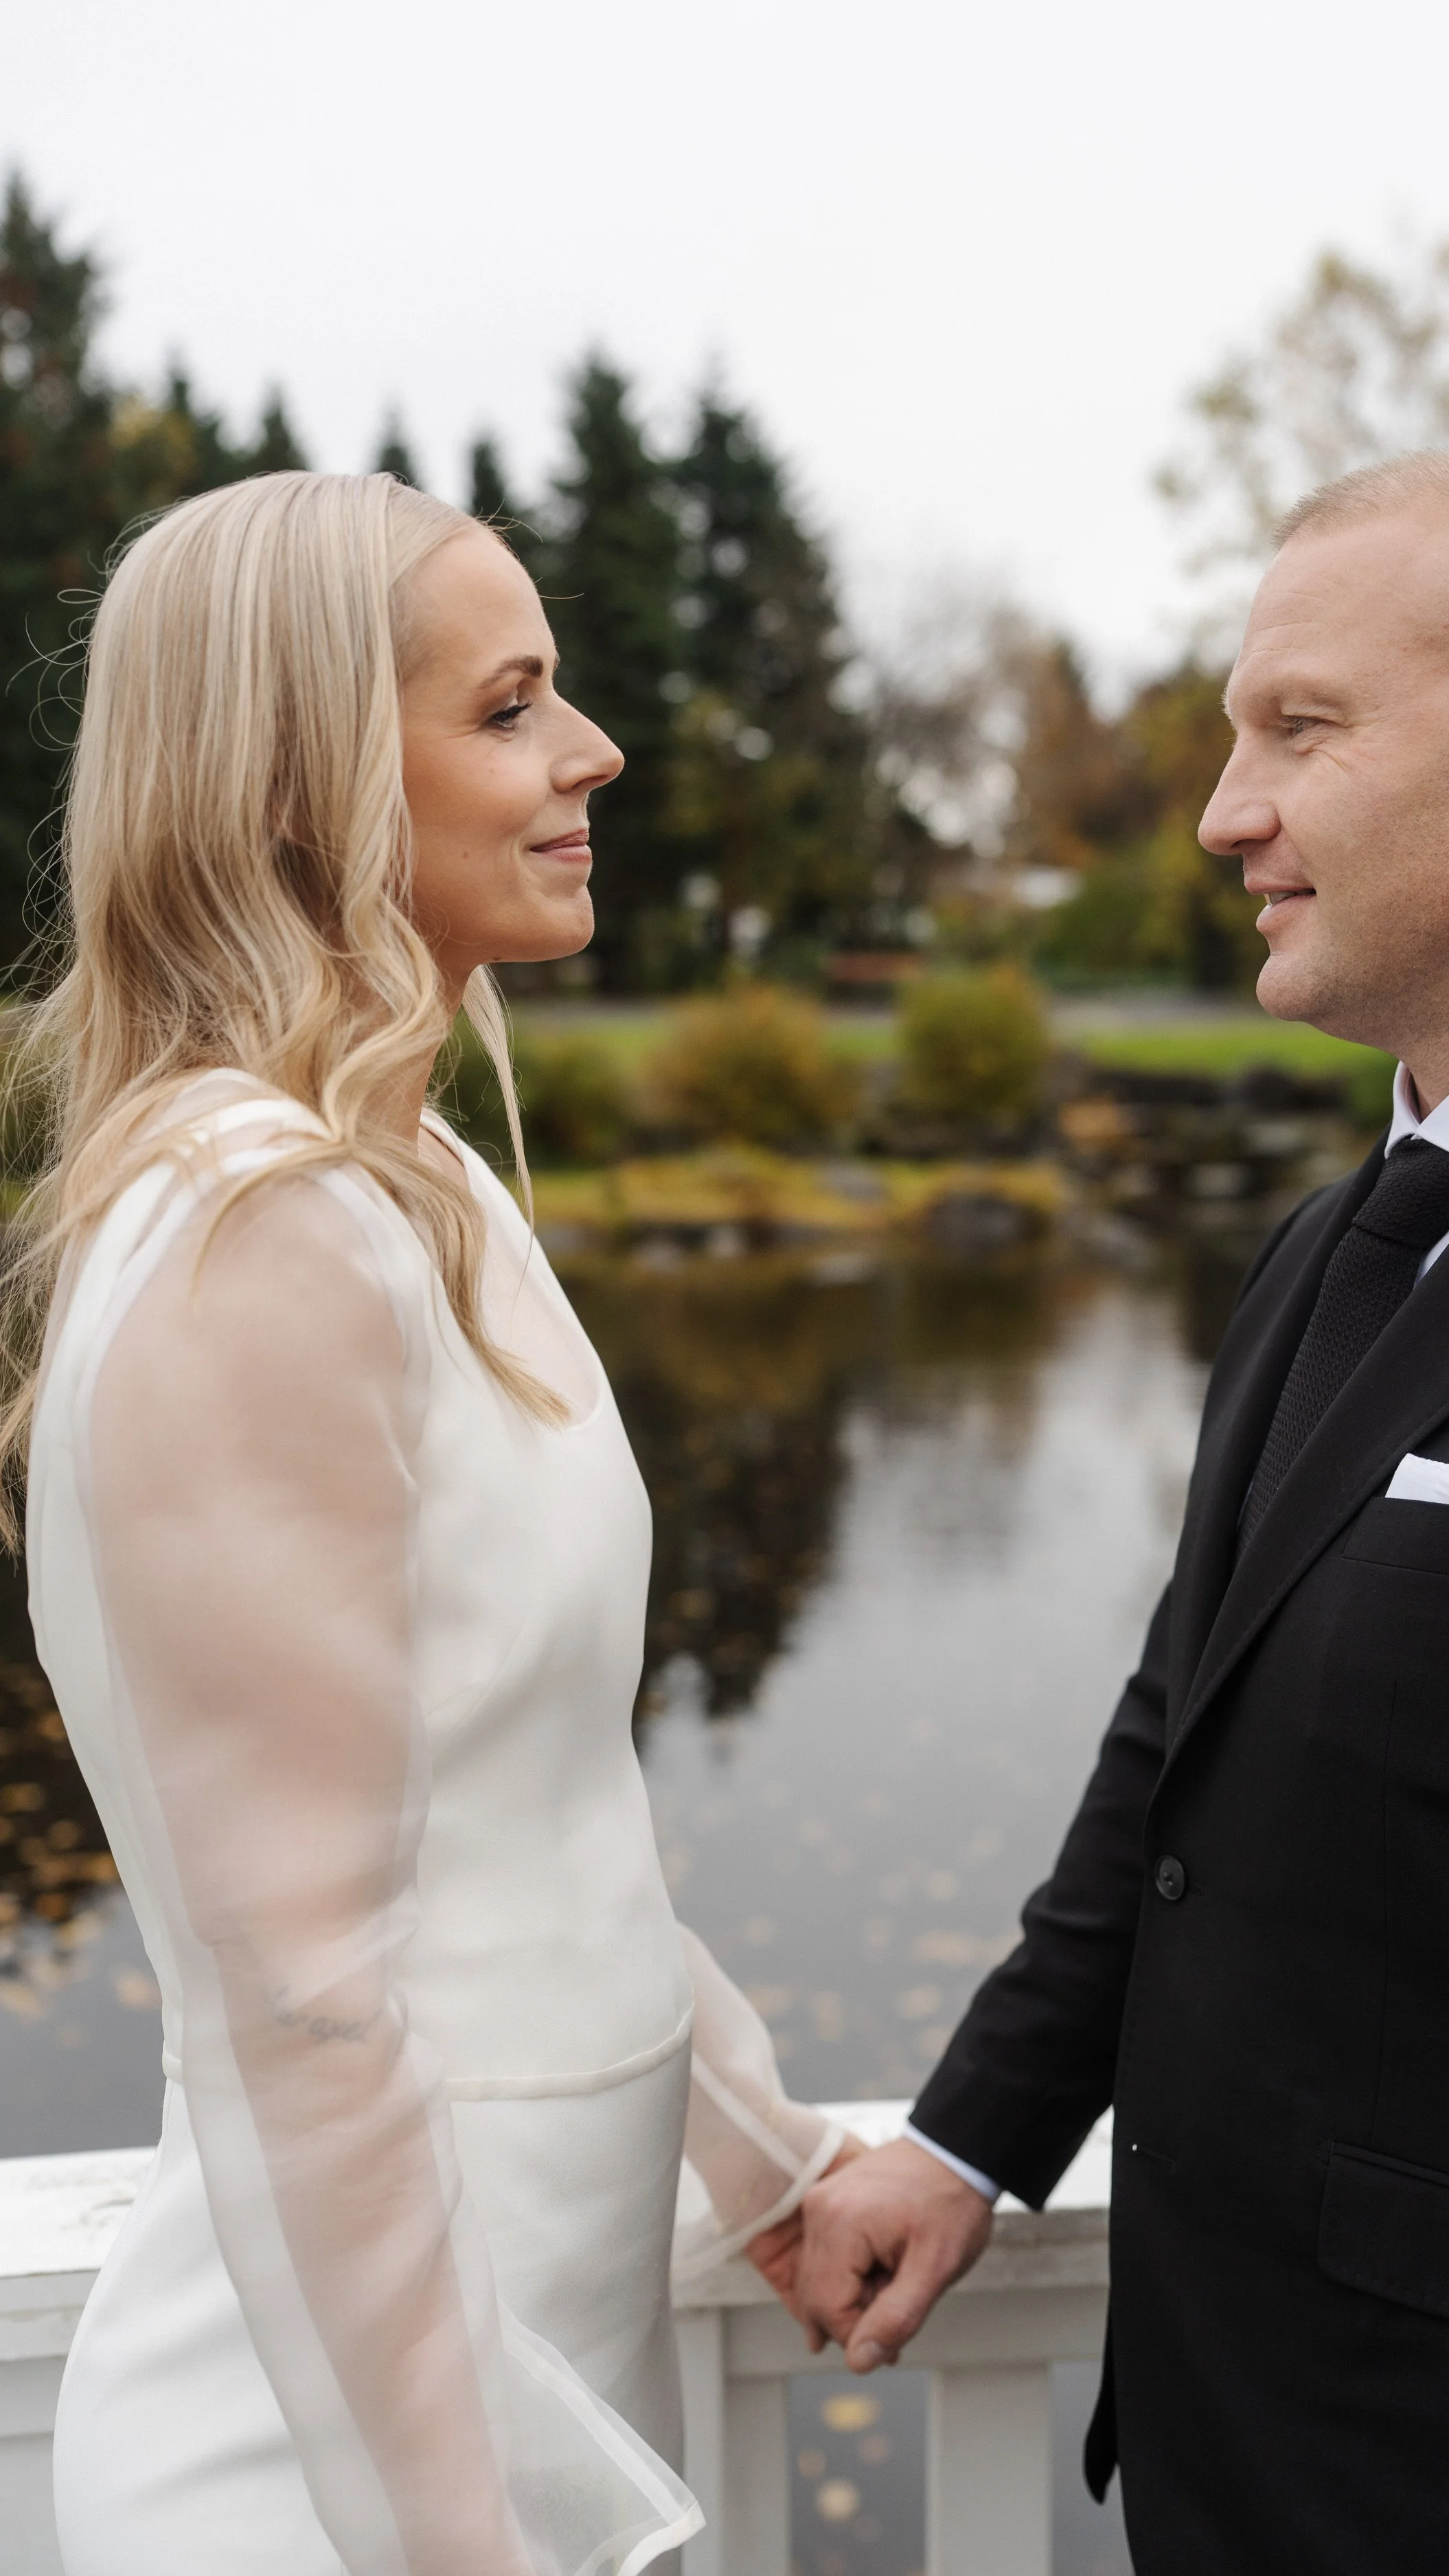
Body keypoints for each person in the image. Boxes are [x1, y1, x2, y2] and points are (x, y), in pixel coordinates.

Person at [795, 448, 1449, 2574]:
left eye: (1295, 729)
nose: (1222, 812)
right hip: (1230, 2464)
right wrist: (969, 2136)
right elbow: (1180, 1754)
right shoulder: (1327, 1244)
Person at [14, 471, 849, 2576]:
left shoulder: (422, 1186)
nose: (592, 753)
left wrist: (754, 2154)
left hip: (530, 2378)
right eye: (509, 705)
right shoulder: (258, 1234)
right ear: (302, 785)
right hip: (351, 2481)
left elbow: (527, 1796)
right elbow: (304, 1991)